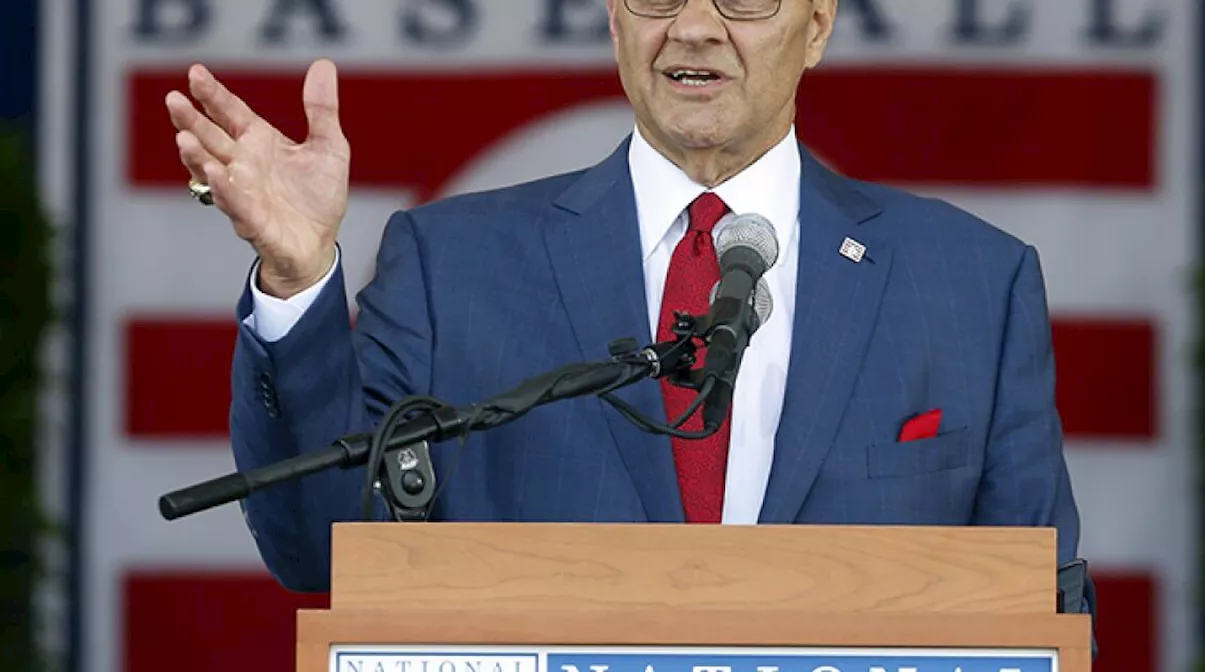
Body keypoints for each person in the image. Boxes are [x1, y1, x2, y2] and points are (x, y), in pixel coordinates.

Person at [165, 0, 1088, 601]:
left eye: (745, 0)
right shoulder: (454, 265)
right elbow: (325, 552)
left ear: (818, 24)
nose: (693, 27)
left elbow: (1040, 604)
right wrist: (295, 279)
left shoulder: (972, 283)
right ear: (613, 22)